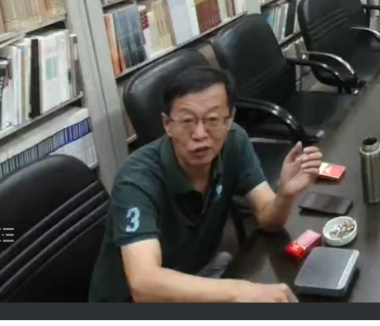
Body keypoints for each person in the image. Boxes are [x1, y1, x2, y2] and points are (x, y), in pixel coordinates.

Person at [89, 66, 324, 302]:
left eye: (212, 119)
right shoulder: (136, 178)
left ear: (229, 119)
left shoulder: (234, 142)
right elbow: (144, 284)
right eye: (187, 121)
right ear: (167, 124)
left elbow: (267, 218)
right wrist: (240, 291)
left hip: (198, 274)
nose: (200, 134)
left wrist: (284, 195)